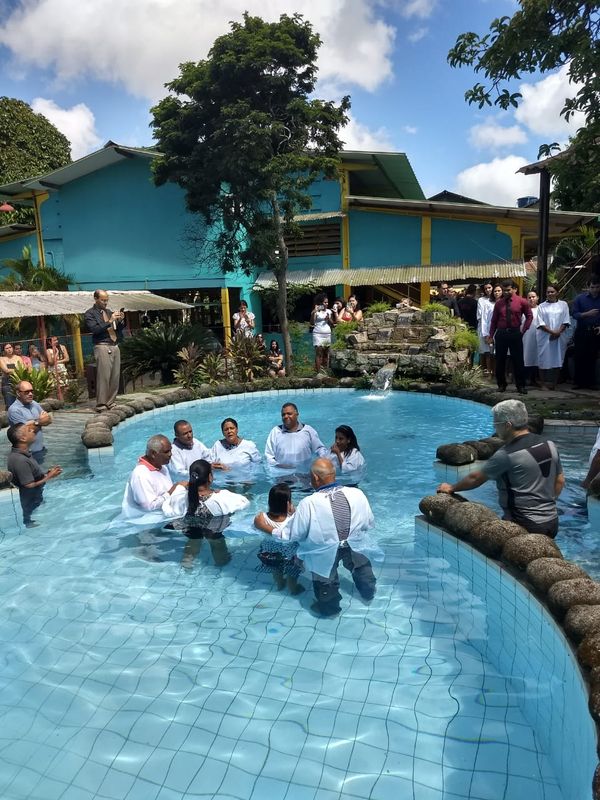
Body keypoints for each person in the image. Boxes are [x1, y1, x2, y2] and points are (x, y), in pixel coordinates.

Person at [437, 399, 564, 537]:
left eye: (496, 424)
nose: (494, 428)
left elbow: (475, 478)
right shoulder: (549, 444)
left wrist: (451, 488)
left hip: (524, 523)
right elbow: (560, 481)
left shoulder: (507, 455)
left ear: (508, 425)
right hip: (552, 521)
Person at [289, 457, 378, 616]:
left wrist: (274, 525)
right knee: (362, 568)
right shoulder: (357, 493)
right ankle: (368, 592)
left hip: (324, 550)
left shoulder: (308, 503)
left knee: (325, 580)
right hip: (355, 543)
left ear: (315, 478)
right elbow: (369, 522)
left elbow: (296, 534)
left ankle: (330, 609)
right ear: (334, 474)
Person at [163, 459, 249, 568]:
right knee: (216, 541)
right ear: (210, 477)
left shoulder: (182, 497)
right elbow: (245, 502)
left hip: (189, 525)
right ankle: (221, 563)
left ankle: (187, 563)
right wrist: (220, 492)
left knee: (193, 538)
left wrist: (182, 486)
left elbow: (169, 502)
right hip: (215, 527)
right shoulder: (222, 497)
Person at [6, 422, 62, 528]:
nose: (33, 430)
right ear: (23, 439)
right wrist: (49, 476)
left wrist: (46, 474)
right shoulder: (20, 460)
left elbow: (29, 476)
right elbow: (28, 486)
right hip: (30, 505)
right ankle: (28, 523)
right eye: (29, 430)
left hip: (34, 500)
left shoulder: (22, 455)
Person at [254, 483, 304, 594]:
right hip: (291, 554)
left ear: (269, 501)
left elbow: (259, 525)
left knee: (276, 571)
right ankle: (293, 588)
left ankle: (280, 584)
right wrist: (294, 512)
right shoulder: (293, 518)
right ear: (288, 503)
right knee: (293, 573)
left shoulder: (261, 517)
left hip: (270, 553)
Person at [121, 434, 185, 518]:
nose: (170, 454)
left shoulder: (163, 468)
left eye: (170, 450)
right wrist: (172, 491)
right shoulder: (140, 474)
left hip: (163, 515)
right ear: (153, 454)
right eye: (166, 452)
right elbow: (148, 507)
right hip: (144, 521)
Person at [84, 289, 126, 412]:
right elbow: (95, 329)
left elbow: (117, 329)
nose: (105, 302)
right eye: (103, 300)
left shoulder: (108, 312)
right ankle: (101, 403)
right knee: (104, 376)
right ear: (96, 299)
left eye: (107, 300)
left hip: (114, 344)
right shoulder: (90, 314)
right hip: (102, 345)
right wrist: (110, 321)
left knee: (115, 375)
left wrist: (120, 320)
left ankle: (111, 401)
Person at [489, 279, 532, 394]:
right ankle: (501, 384)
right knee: (500, 361)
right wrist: (490, 335)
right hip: (501, 333)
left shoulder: (522, 302)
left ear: (515, 289)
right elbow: (493, 321)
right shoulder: (499, 303)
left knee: (518, 360)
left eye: (508, 290)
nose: (506, 292)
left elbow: (529, 316)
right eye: (504, 290)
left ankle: (520, 385)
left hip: (515, 333)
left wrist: (524, 330)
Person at [264, 402, 328, 468]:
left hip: (304, 473)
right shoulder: (276, 431)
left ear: (297, 414)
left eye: (289, 414)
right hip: (282, 473)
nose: (286, 416)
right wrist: (279, 466)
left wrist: (323, 462)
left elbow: (319, 449)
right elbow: (269, 456)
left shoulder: (308, 430)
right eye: (283, 415)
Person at [8, 380, 52, 464]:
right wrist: (38, 422)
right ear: (18, 393)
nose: (30, 394)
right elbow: (23, 432)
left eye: (32, 391)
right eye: (26, 392)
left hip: (40, 449)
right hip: (26, 454)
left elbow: (48, 419)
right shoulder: (14, 410)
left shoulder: (34, 404)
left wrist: (34, 422)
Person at [536, 285, 571, 390]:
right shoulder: (541, 306)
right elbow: (540, 322)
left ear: (557, 292)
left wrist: (557, 333)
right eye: (548, 292)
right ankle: (543, 384)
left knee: (558, 359)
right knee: (543, 359)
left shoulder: (563, 305)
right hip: (545, 336)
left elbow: (566, 320)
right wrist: (552, 332)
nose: (550, 294)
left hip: (560, 336)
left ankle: (554, 384)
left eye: (552, 292)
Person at [572, 275, 600, 390]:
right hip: (582, 331)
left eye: (597, 287)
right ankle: (579, 382)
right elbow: (574, 314)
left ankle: (591, 382)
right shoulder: (580, 298)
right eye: (593, 287)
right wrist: (587, 314)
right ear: (588, 287)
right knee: (579, 356)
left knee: (592, 357)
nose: (595, 290)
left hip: (596, 331)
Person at [310, 292, 335, 372]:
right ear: (320, 303)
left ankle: (325, 371)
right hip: (318, 334)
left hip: (327, 334)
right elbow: (312, 323)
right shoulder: (316, 311)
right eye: (324, 302)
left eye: (327, 302)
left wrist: (329, 319)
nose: (326, 304)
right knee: (319, 353)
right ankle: (318, 372)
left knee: (326, 353)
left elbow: (333, 324)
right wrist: (314, 312)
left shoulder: (329, 311)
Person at [522, 289, 540, 387]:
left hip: (538, 337)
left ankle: (534, 379)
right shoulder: (523, 309)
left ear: (537, 298)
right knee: (526, 357)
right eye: (529, 297)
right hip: (526, 337)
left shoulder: (541, 309)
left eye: (533, 297)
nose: (531, 299)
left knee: (536, 358)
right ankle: (525, 379)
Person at [477, 282, 495, 374]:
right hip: (483, 326)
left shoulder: (497, 299)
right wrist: (485, 332)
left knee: (494, 352)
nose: (488, 290)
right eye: (486, 288)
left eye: (489, 287)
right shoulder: (481, 300)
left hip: (495, 327)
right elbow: (481, 316)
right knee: (484, 351)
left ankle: (495, 371)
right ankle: (484, 371)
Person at [0, 343, 23, 409]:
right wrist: (16, 368)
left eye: (10, 347)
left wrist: (11, 369)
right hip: (7, 383)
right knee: (10, 405)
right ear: (3, 350)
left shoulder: (18, 358)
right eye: (7, 348)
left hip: (18, 381)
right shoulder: (1, 359)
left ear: (12, 348)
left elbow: (22, 369)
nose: (9, 349)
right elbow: (6, 370)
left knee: (20, 403)